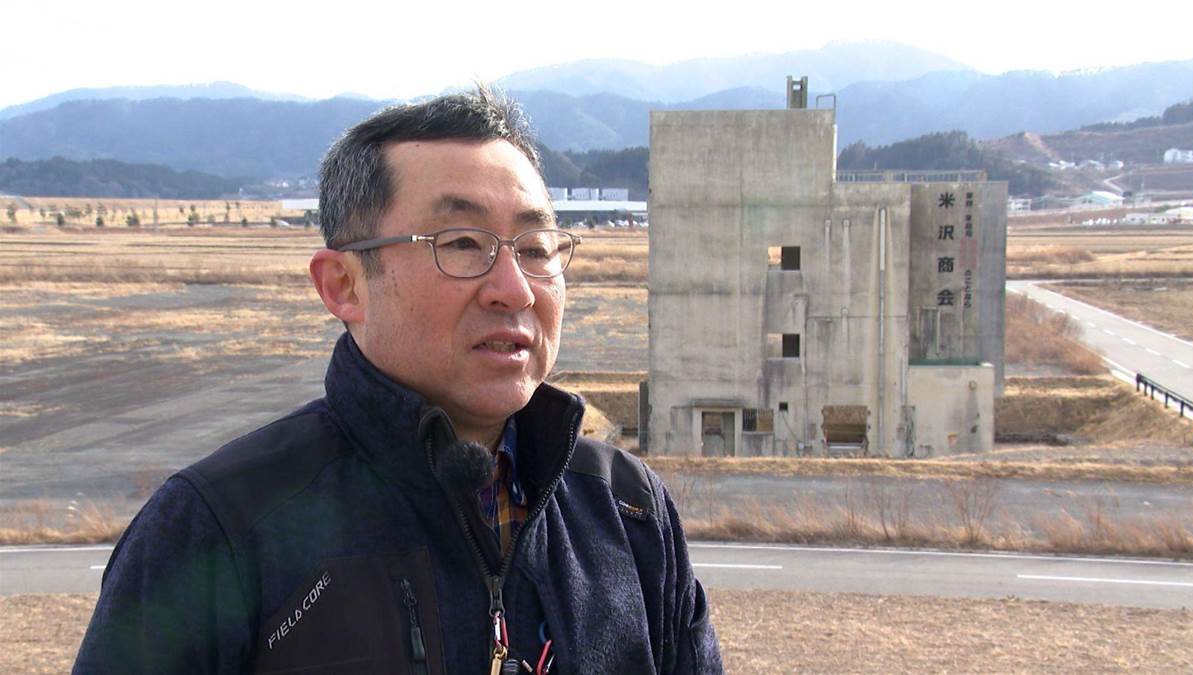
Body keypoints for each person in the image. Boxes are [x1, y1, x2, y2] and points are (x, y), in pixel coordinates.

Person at [74, 87, 722, 674]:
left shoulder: (627, 511)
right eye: (462, 242)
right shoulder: (218, 527)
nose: (514, 288)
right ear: (344, 285)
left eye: (535, 249)